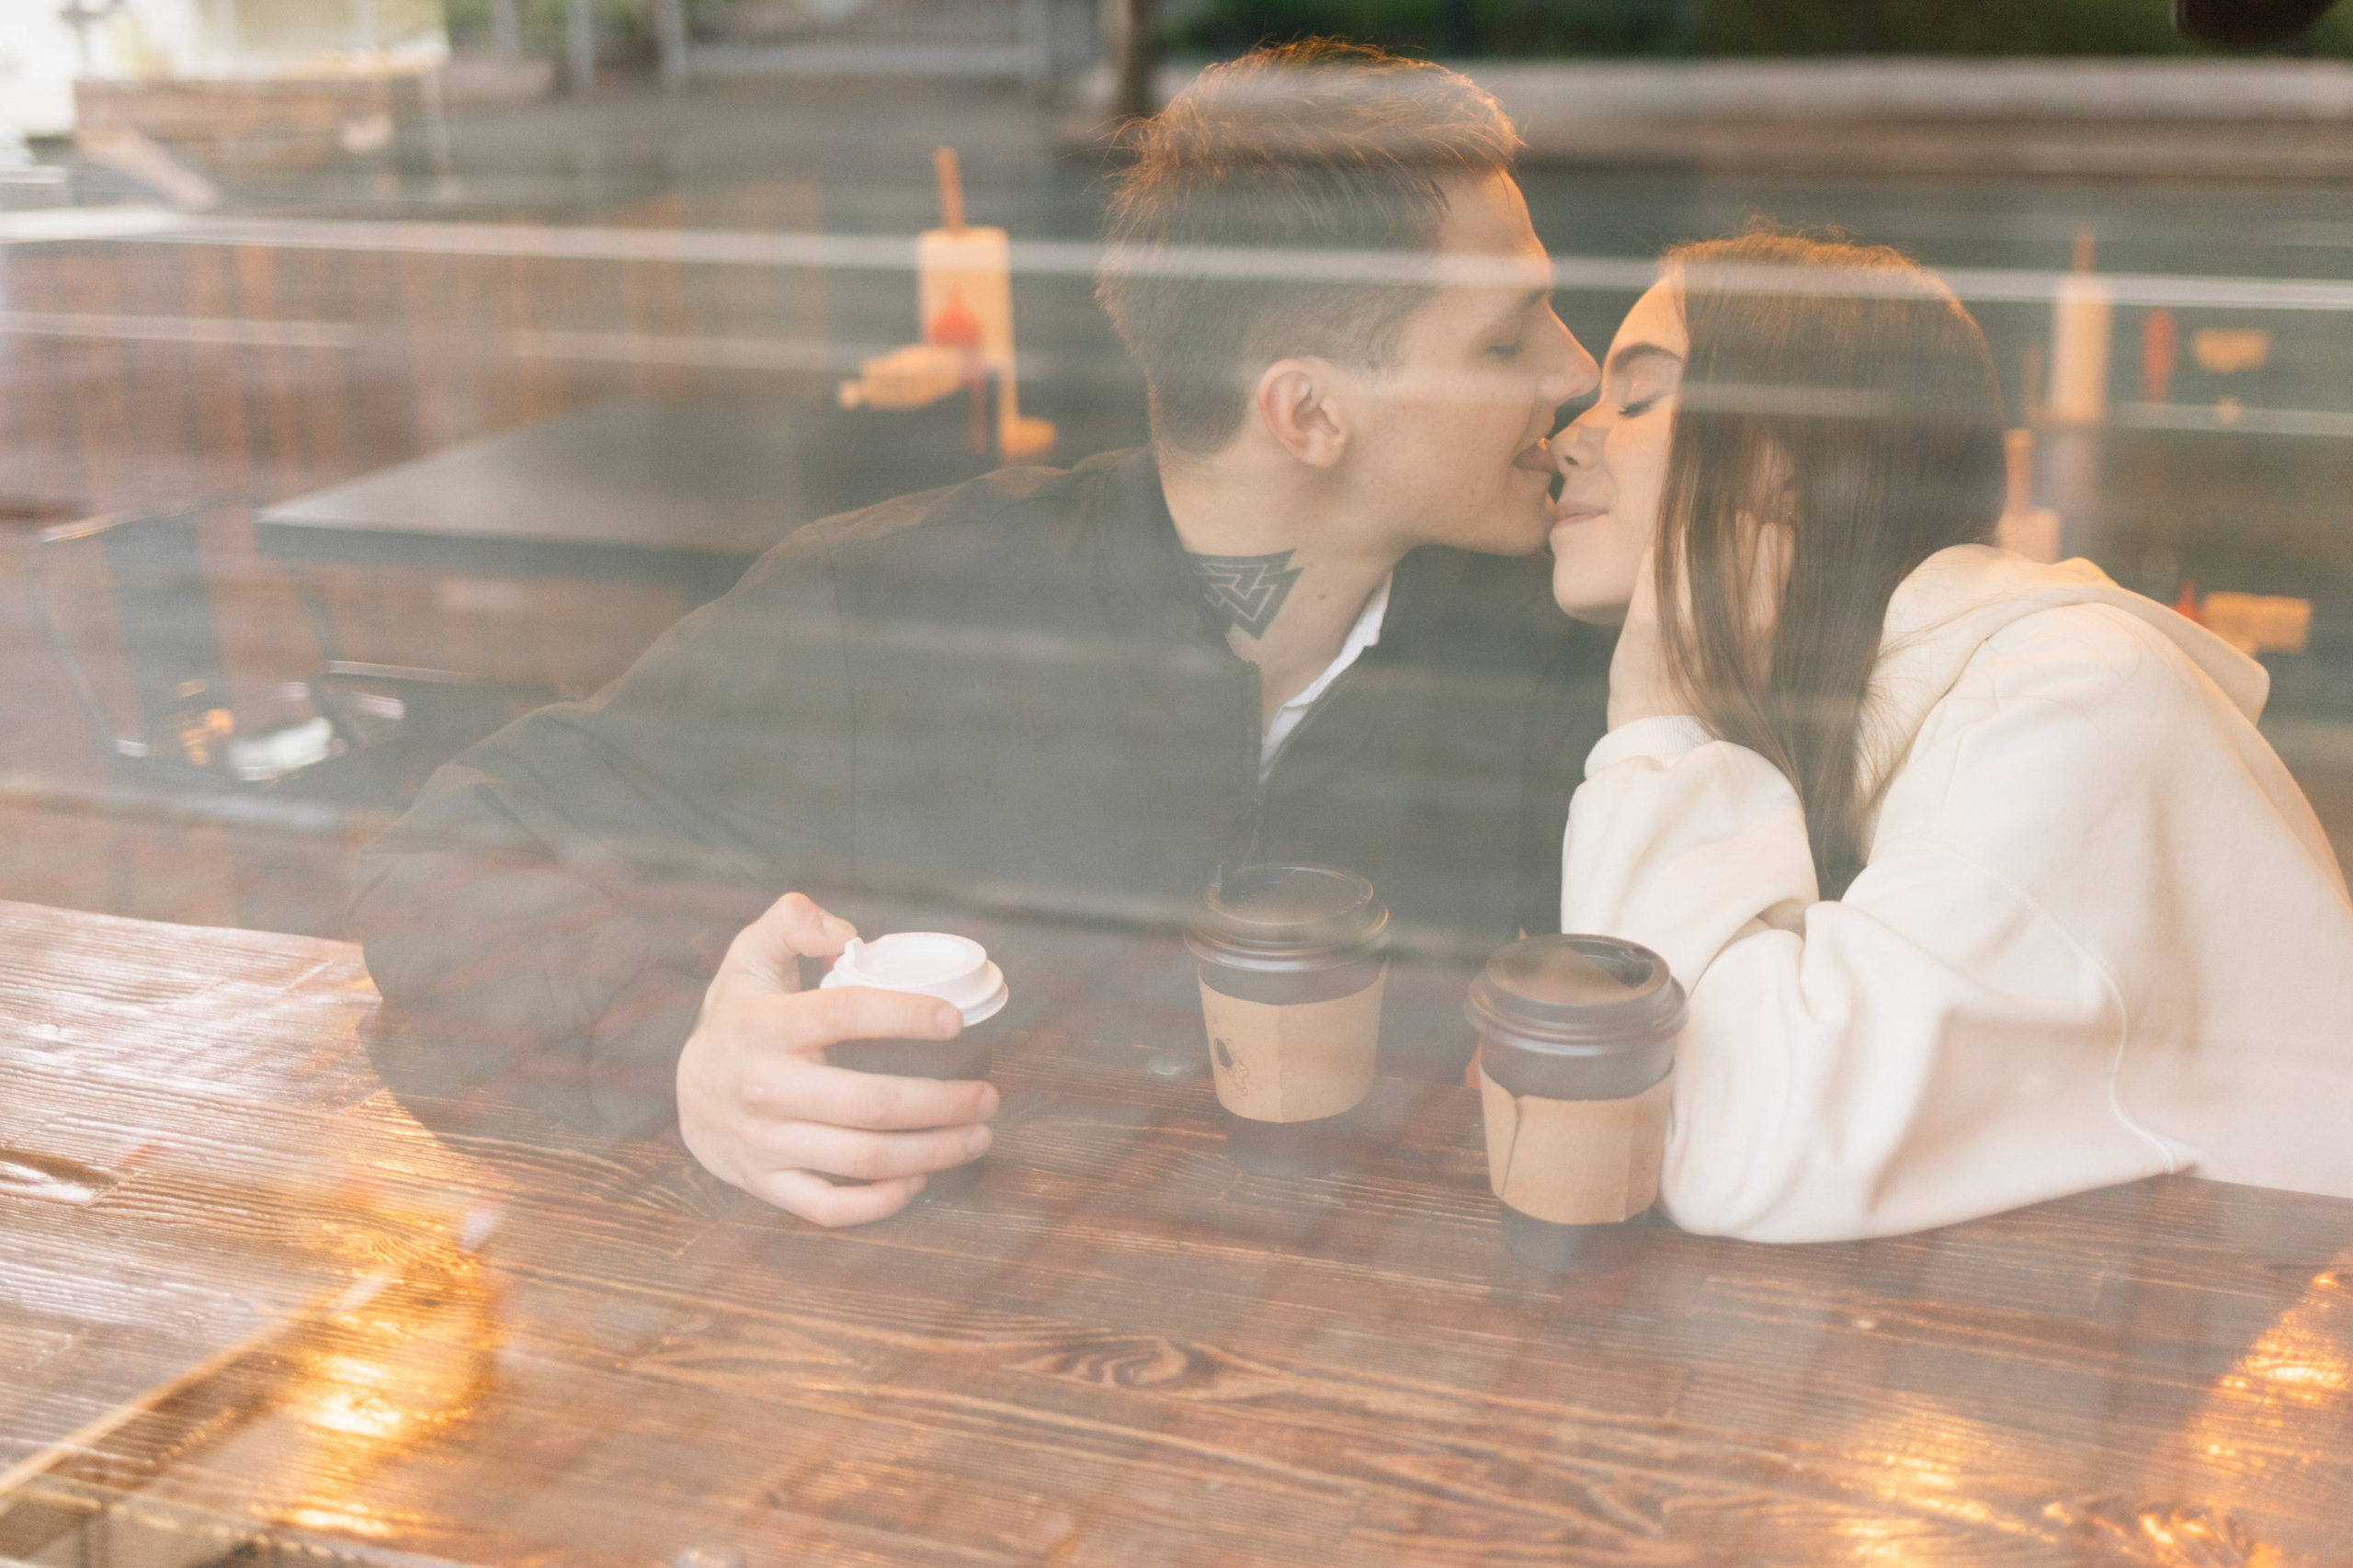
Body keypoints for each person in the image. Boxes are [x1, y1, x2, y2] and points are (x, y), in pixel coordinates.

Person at [350, 40, 1612, 1227]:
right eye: (1507, 336)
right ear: (1309, 413)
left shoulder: (1567, 646)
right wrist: (684, 1054)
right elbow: (450, 860)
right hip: (931, 1371)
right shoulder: (901, 607)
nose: (1576, 370)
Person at [1544, 227, 2353, 1242]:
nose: (1570, 434)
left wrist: (1659, 713)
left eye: (1638, 394)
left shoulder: (2068, 700)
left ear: (1787, 459)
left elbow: (1732, 1139)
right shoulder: (1870, 706)